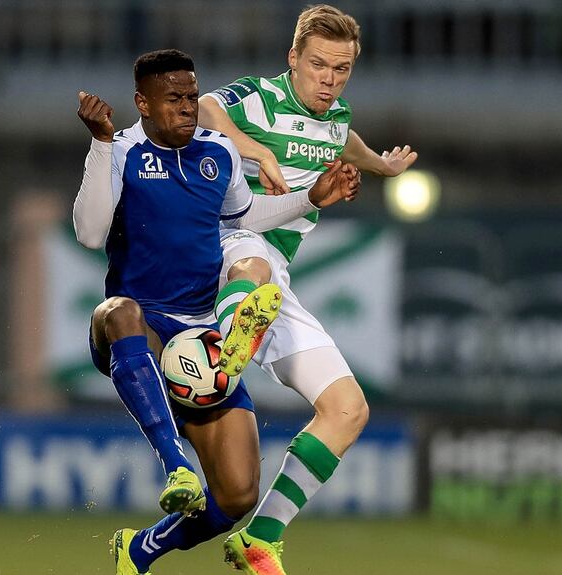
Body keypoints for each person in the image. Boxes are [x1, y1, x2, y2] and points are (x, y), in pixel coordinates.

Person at [73, 49, 359, 575]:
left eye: (190, 95)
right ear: (143, 103)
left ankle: (140, 550)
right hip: (138, 328)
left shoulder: (219, 153)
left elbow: (246, 216)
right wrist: (99, 143)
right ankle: (175, 465)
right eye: (173, 98)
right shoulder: (122, 150)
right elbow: (90, 234)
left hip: (199, 339)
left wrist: (309, 196)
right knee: (119, 310)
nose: (187, 108)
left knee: (237, 495)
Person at [196, 5, 418, 574]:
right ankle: (223, 349)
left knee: (347, 409)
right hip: (222, 238)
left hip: (276, 272)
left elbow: (345, 141)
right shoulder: (259, 96)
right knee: (253, 268)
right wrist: (258, 151)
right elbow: (205, 107)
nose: (329, 79)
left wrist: (382, 168)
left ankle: (260, 539)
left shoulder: (335, 119)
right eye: (318, 64)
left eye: (341, 69)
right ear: (292, 58)